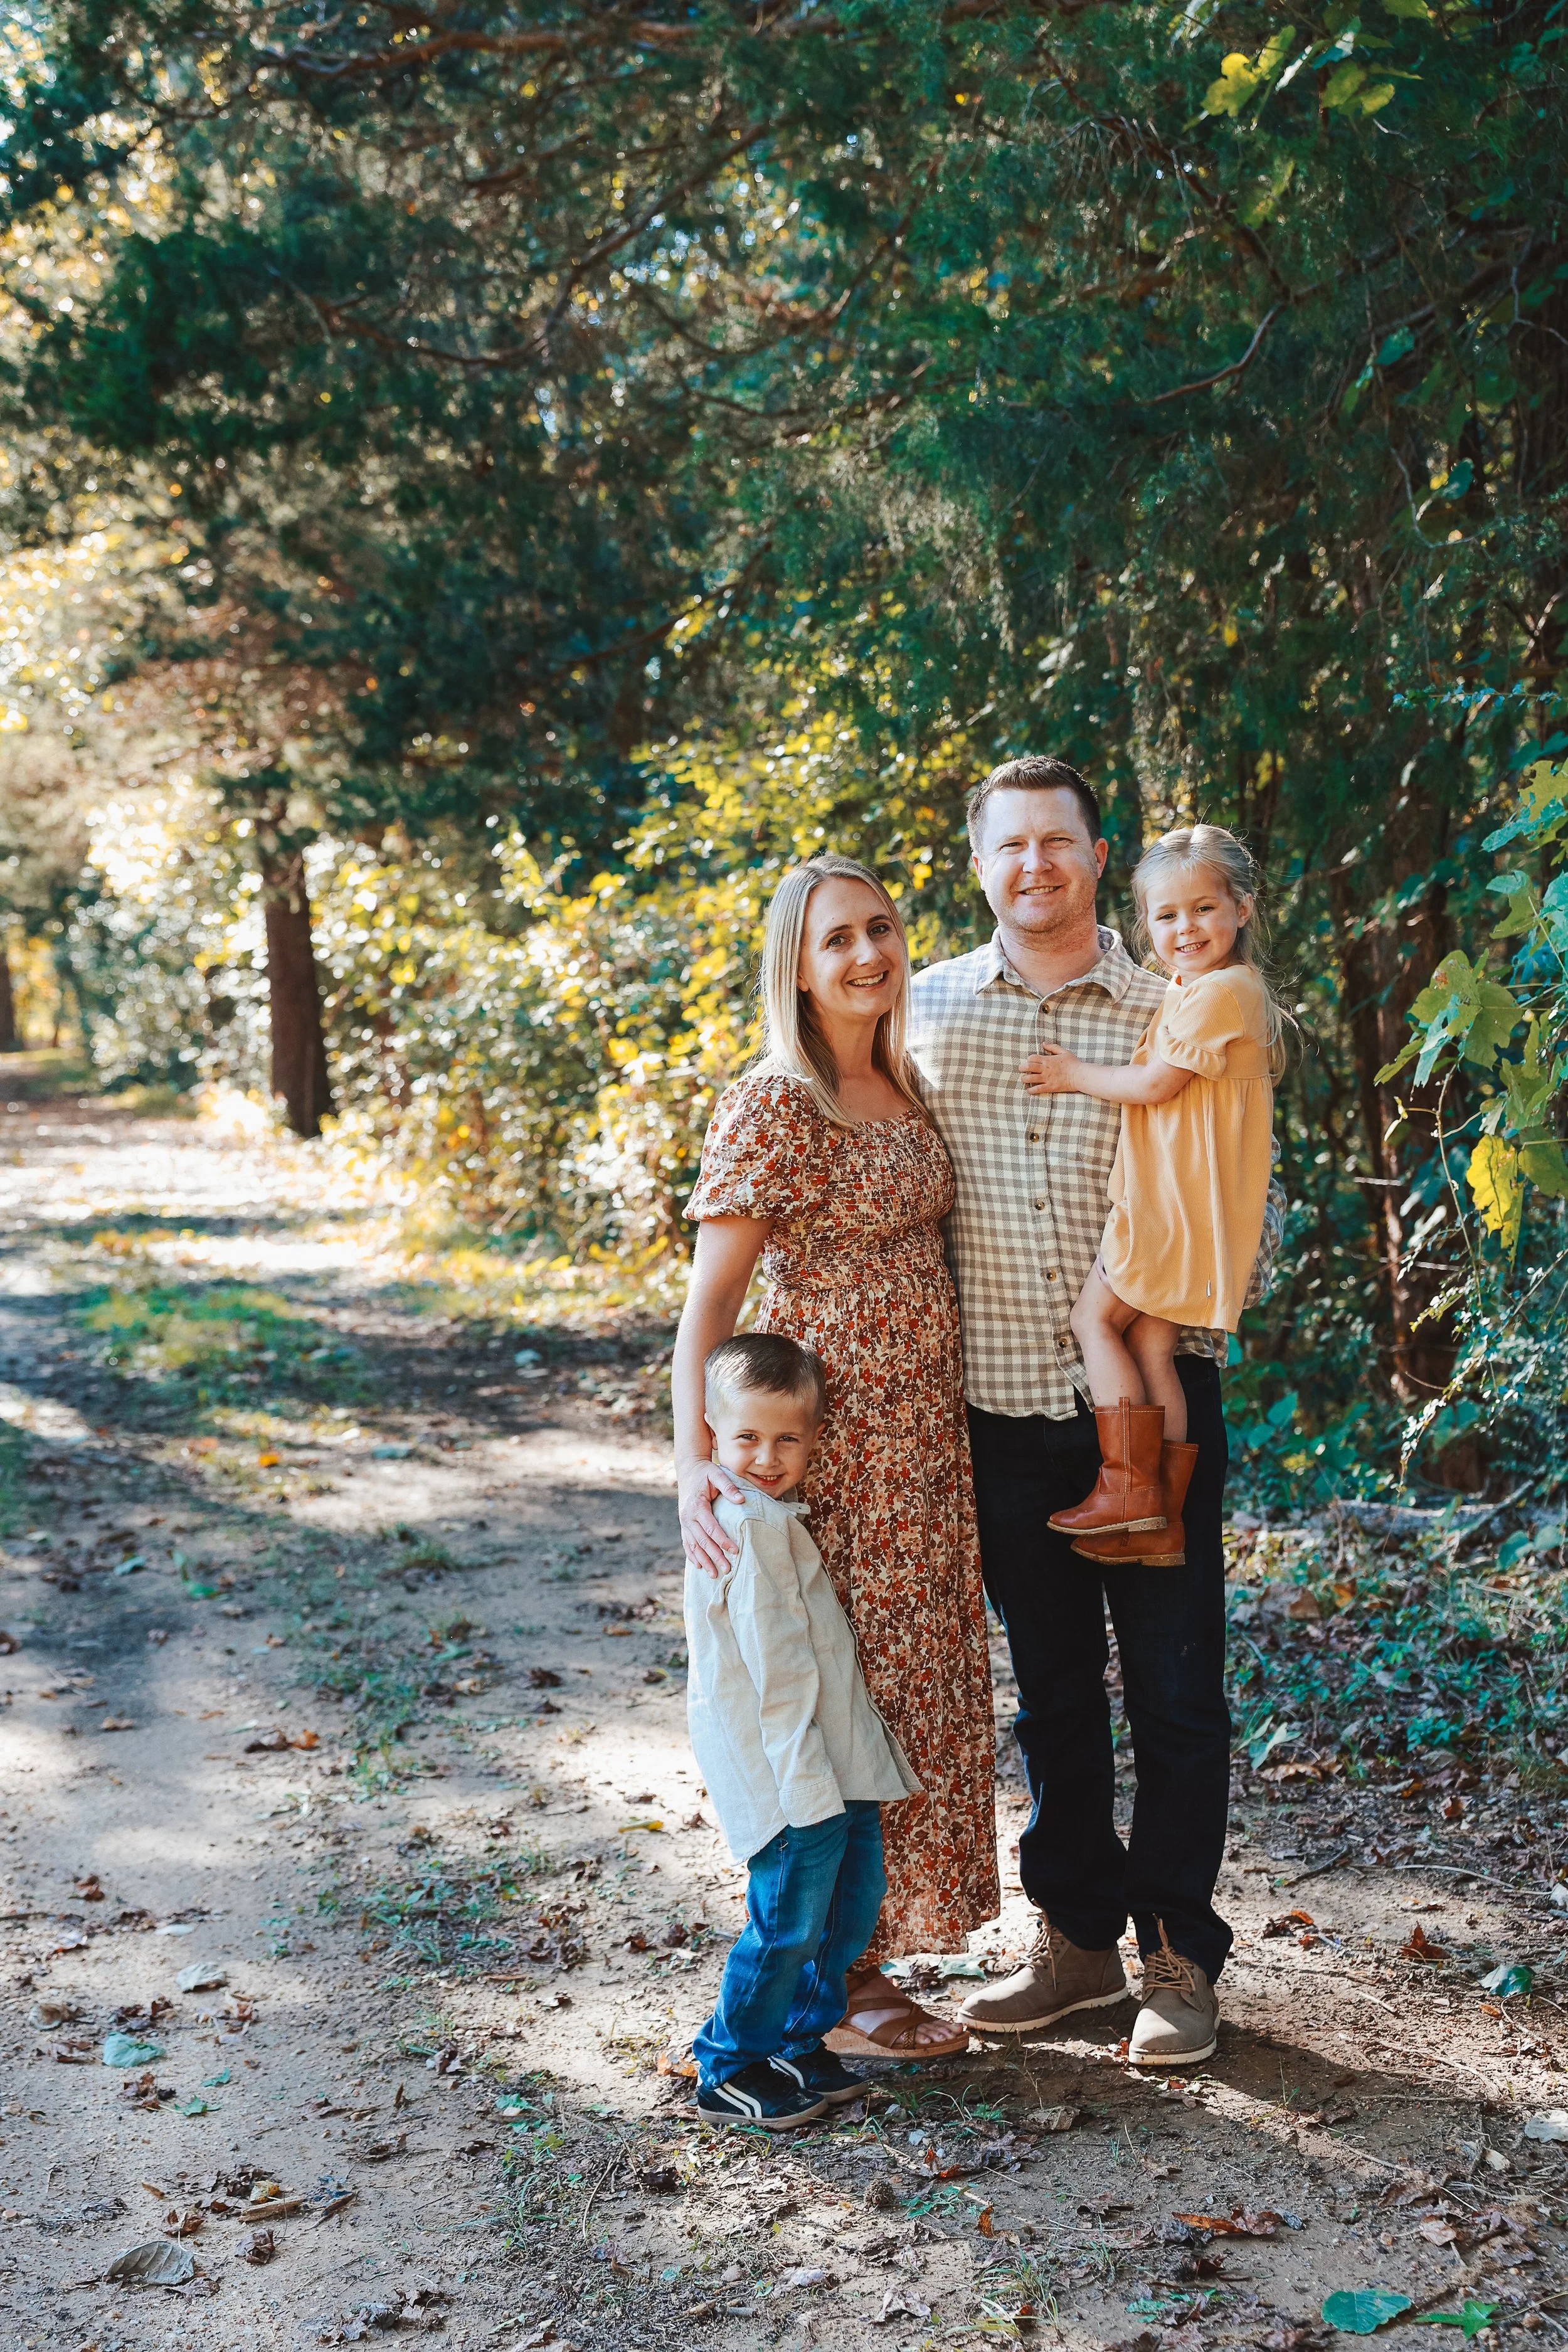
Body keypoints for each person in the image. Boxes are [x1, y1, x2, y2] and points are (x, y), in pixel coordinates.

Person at [907, 759, 1283, 2069]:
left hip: (1154, 1404)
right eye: (1007, 847)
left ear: (1091, 851)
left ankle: (1175, 1951)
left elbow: (1242, 1173)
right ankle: (1072, 1941)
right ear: (978, 863)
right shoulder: (925, 1010)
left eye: (1055, 843)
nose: (1032, 867)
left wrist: (1201, 1296)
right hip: (1003, 1414)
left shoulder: (1171, 996)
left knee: (1177, 1694)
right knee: (1054, 1696)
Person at [673, 853, 997, 2062]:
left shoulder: (904, 1082)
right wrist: (696, 1472)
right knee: (833, 1707)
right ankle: (837, 1984)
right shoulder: (776, 1100)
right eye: (836, 941)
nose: (867, 954)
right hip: (827, 1466)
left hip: (924, 1457)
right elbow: (707, 1312)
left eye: (880, 928)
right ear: (797, 972)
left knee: (914, 1698)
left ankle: (875, 1958)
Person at [1024, 825, 1281, 1569]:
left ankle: (1128, 1487)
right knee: (1151, 1345)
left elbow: (1153, 1085)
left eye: (1203, 909)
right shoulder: (1193, 991)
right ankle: (1161, 1520)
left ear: (1242, 910)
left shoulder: (1226, 991)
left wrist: (1073, 1073)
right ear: (1146, 925)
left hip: (1171, 1210)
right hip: (1187, 1210)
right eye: (1165, 916)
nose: (1185, 928)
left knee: (1091, 1320)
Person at [686, 1331, 921, 2129]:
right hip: (790, 1773)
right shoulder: (742, 1528)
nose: (766, 1455)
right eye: (746, 1437)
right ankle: (728, 2062)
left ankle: (800, 2039)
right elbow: (775, 1679)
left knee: (848, 1910)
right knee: (787, 1921)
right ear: (712, 1432)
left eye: (788, 1437)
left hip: (830, 1758)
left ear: (814, 1437)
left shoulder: (776, 1516)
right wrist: (805, 1787)